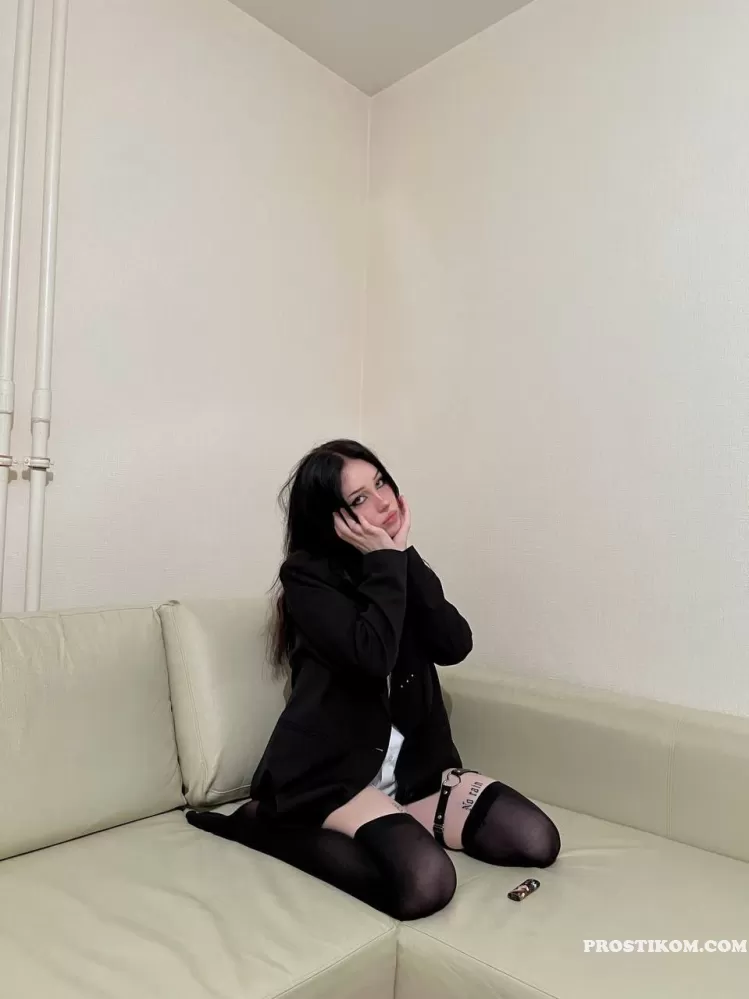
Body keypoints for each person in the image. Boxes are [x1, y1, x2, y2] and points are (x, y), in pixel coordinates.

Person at [187, 439, 560, 920]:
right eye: (360, 498)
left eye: (381, 482)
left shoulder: (396, 564)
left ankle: (392, 821)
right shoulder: (306, 578)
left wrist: (403, 555)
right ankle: (267, 824)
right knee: (425, 883)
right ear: (332, 519)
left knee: (535, 839)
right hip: (331, 778)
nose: (383, 501)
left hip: (413, 776)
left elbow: (455, 644)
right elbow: (372, 657)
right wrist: (387, 563)